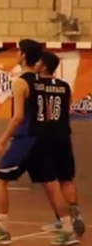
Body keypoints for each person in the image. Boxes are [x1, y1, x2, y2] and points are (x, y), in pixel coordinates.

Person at [0, 41, 79, 246]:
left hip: (27, 138)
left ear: (23, 56)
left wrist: (2, 141)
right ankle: (68, 230)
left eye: (18, 51)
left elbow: (18, 117)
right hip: (45, 138)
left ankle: (2, 230)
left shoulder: (21, 83)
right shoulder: (45, 83)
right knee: (51, 184)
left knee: (0, 179)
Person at [36, 52, 84, 235]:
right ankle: (76, 216)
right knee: (66, 178)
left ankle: (61, 218)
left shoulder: (35, 85)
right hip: (63, 136)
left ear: (44, 66)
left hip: (43, 136)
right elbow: (68, 110)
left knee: (49, 181)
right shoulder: (64, 86)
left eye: (38, 61)